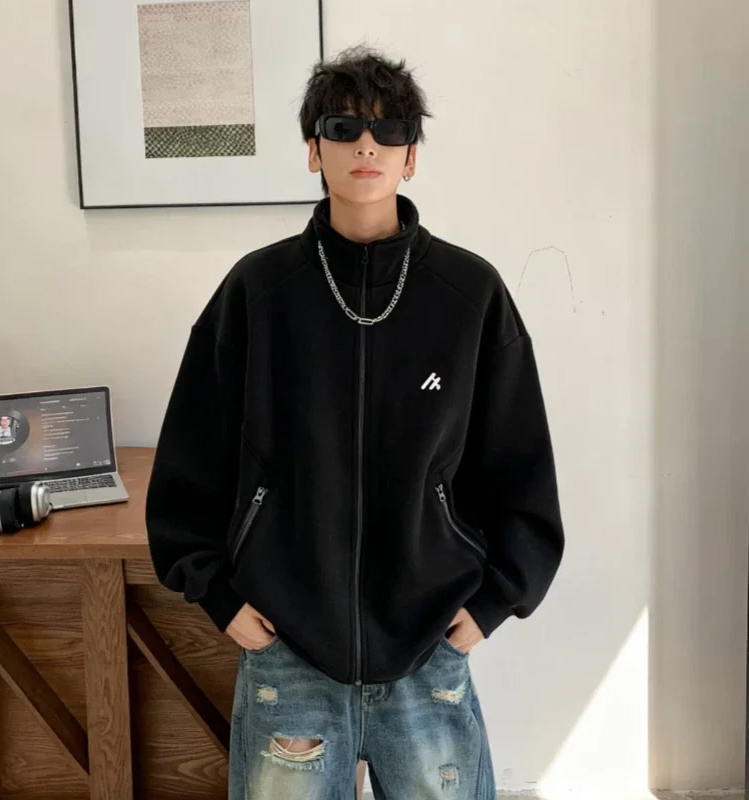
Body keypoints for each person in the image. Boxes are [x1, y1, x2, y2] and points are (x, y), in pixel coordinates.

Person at [146, 44, 564, 799]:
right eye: (343, 128)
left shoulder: (469, 294)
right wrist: (217, 596)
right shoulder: (258, 292)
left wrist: (494, 600)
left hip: (429, 643)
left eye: (389, 129)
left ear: (411, 156)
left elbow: (518, 463)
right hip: (287, 645)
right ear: (314, 151)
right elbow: (191, 454)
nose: (366, 145)